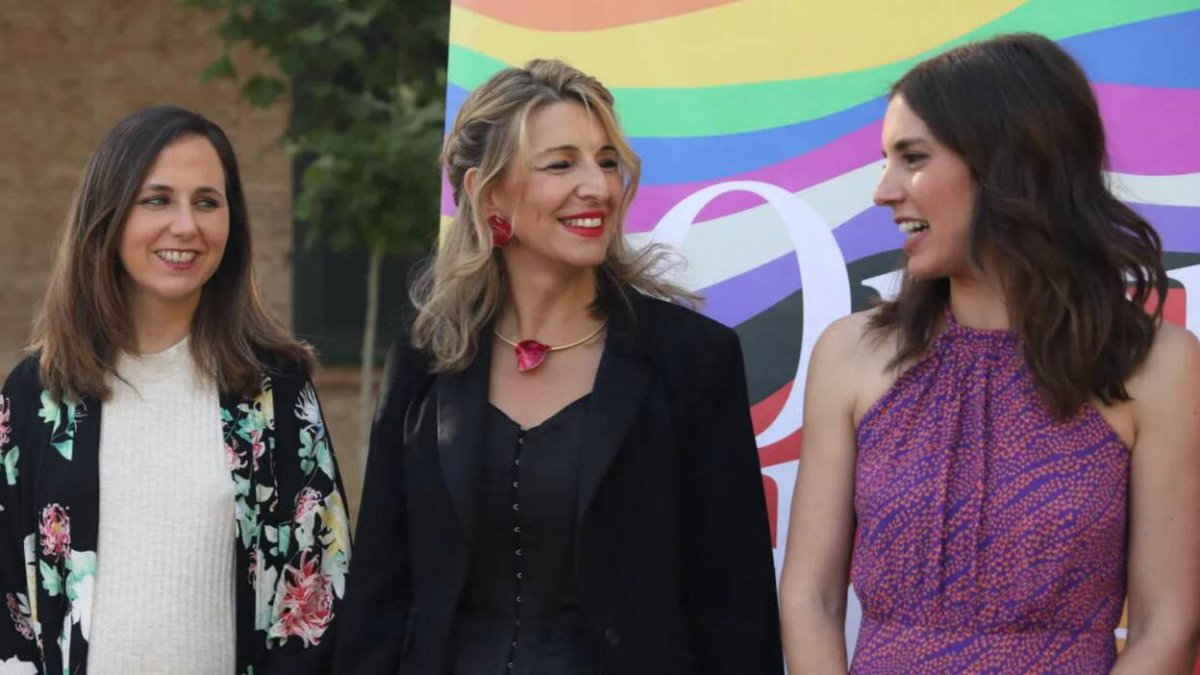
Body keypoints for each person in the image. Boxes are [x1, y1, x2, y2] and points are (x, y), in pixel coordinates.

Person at [335, 59, 782, 674]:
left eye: (606, 161)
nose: (597, 187)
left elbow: (736, 605)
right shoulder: (426, 357)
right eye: (560, 163)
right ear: (487, 195)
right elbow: (380, 591)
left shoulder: (693, 359)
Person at [779, 33, 1200, 674]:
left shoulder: (1158, 365)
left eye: (912, 158)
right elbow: (810, 598)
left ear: (1010, 164)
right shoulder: (851, 354)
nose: (883, 191)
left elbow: (1166, 625)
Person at [0, 106, 351, 674]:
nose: (186, 225)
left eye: (207, 202)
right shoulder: (38, 395)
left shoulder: (274, 392)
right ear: (107, 216)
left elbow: (319, 597)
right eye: (157, 199)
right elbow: (8, 599)